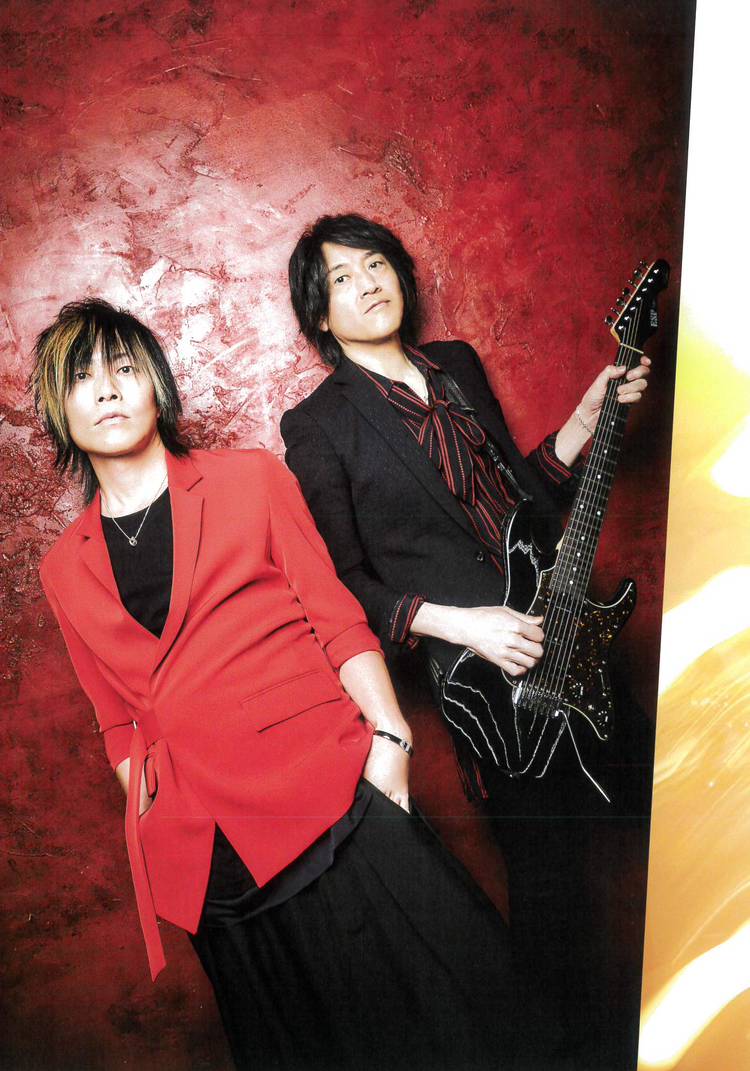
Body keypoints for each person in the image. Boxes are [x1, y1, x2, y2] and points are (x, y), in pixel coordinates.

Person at [30, 298, 516, 1071]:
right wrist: (156, 814)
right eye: (82, 378)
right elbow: (114, 717)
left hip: (331, 802)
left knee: (456, 1023)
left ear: (157, 384)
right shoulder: (63, 566)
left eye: (124, 368)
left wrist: (391, 740)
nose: (108, 389)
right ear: (59, 409)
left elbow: (337, 619)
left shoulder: (249, 478)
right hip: (213, 866)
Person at [281, 213, 653, 1069]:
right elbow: (341, 584)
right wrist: (463, 625)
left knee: (676, 805)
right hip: (486, 689)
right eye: (342, 279)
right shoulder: (319, 424)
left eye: (376, 264)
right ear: (320, 314)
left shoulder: (457, 364)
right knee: (553, 897)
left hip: (569, 636)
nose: (368, 284)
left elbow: (522, 502)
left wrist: (584, 418)